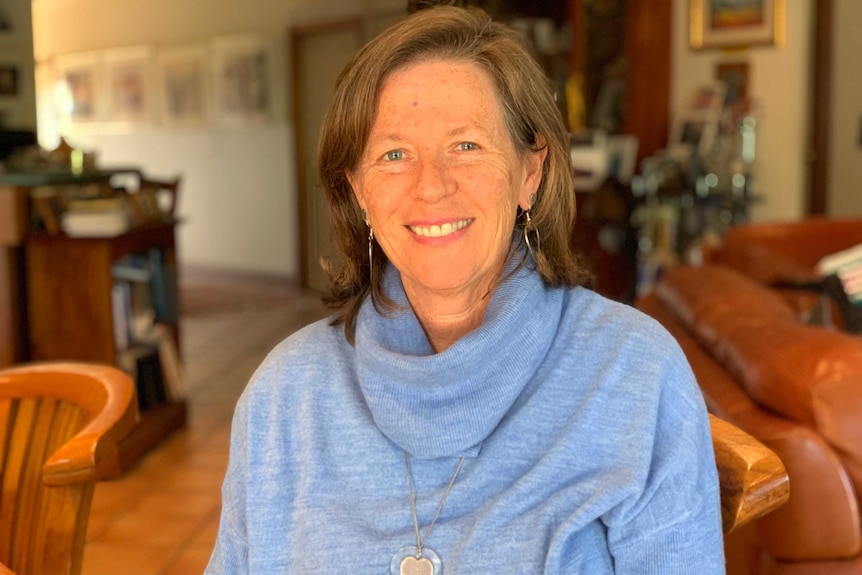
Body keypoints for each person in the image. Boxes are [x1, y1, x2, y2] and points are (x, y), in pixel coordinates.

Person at [205, 6, 725, 574]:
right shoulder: (283, 395)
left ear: (530, 173)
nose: (432, 186)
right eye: (394, 154)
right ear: (358, 192)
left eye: (467, 146)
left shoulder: (634, 375)